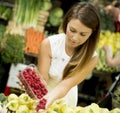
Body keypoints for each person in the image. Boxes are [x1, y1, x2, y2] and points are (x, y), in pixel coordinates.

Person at [37, 1, 101, 109]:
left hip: (66, 105)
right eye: (72, 30)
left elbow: (66, 85)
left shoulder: (92, 58)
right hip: (43, 97)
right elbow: (43, 79)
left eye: (83, 34)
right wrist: (33, 85)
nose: (75, 38)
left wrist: (47, 101)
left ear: (92, 34)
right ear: (66, 23)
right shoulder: (49, 44)